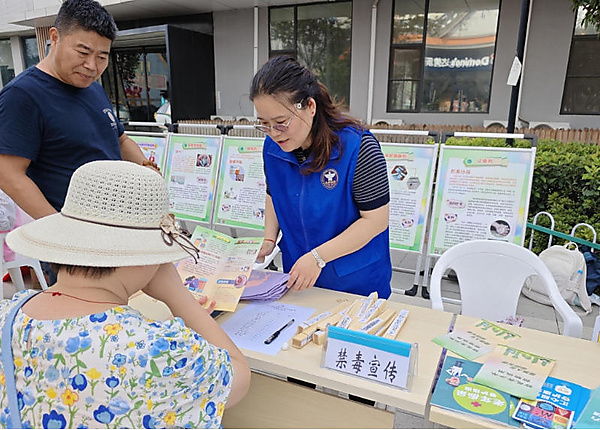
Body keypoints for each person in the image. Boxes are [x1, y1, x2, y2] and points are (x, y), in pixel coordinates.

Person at [1, 160, 250, 428]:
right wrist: (178, 296)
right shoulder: (157, 349)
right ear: (143, 258)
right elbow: (237, 377)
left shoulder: (8, 316)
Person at [250, 55, 392, 298]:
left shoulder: (359, 147)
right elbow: (274, 193)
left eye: (281, 122)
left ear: (310, 107)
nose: (273, 133)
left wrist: (318, 257)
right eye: (264, 123)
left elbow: (375, 221)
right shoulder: (273, 148)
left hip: (356, 283)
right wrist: (269, 239)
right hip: (299, 278)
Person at [0, 0, 153, 222]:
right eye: (83, 52)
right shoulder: (22, 95)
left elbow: (120, 140)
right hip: (71, 230)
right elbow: (9, 174)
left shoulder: (93, 88)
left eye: (102, 57)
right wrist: (59, 228)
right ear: (54, 37)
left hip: (117, 220)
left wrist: (146, 168)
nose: (92, 66)